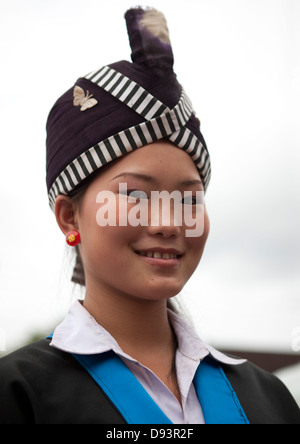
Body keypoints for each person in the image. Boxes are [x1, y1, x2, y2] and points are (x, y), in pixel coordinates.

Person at [0, 7, 299, 425]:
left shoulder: (270, 400)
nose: (169, 223)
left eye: (188, 198)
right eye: (136, 194)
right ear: (70, 217)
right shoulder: (17, 395)